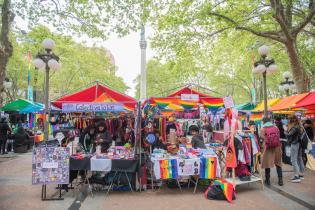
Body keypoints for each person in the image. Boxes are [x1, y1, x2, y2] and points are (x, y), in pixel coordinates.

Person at [260, 117, 283, 186]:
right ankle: (280, 180)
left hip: (268, 148)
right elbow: (278, 136)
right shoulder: (276, 127)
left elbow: (262, 137)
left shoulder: (263, 128)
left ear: (263, 122)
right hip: (277, 147)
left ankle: (268, 180)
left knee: (267, 163)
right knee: (278, 163)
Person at [285, 115, 304, 183]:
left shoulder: (295, 127)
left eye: (288, 119)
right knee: (299, 158)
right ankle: (301, 174)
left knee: (293, 160)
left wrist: (285, 130)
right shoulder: (299, 125)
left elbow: (289, 134)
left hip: (295, 143)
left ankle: (296, 176)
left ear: (291, 120)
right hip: (299, 144)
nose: (287, 120)